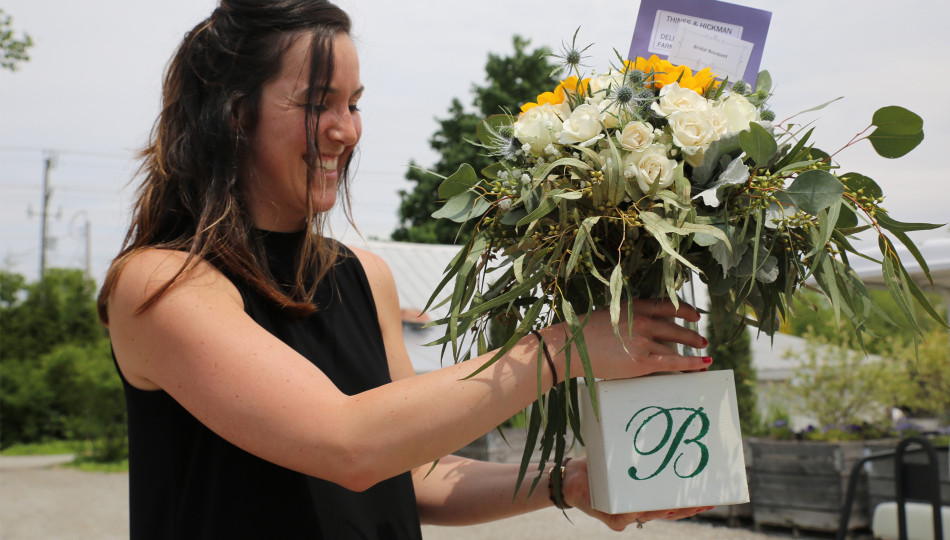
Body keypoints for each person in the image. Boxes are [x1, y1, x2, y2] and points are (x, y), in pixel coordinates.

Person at [97, 0, 715, 537]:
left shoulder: (364, 278)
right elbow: (349, 444)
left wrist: (570, 482)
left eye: (354, 104)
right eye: (318, 104)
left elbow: (413, 471)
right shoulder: (162, 285)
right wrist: (562, 349)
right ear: (234, 114)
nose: (346, 131)